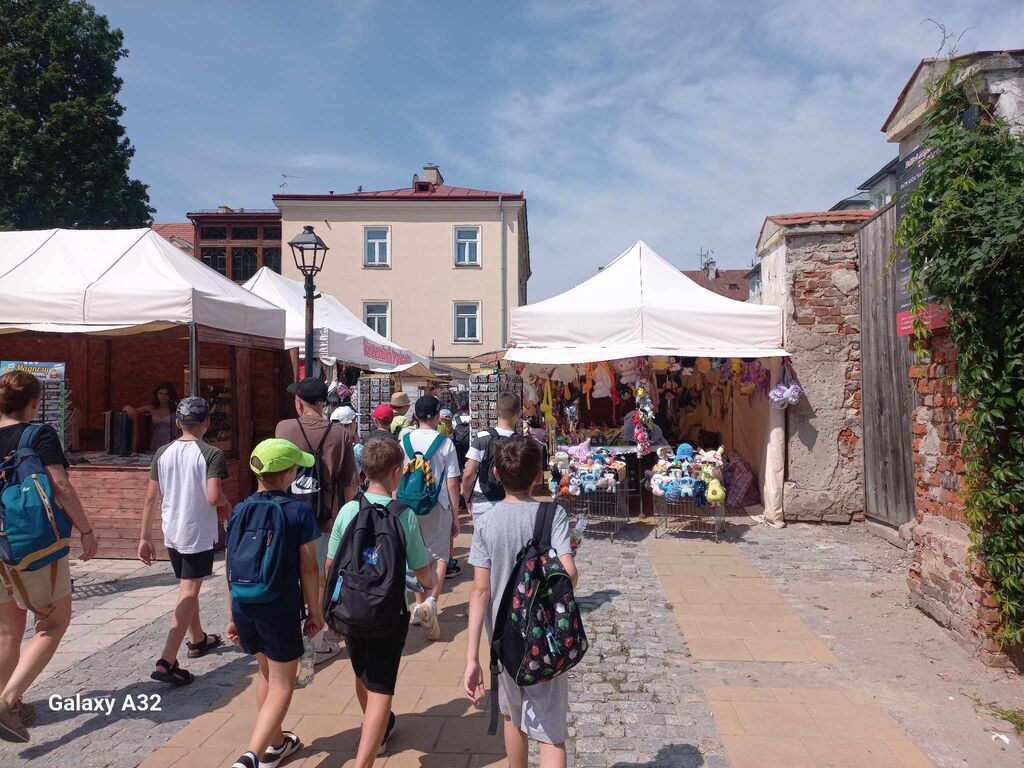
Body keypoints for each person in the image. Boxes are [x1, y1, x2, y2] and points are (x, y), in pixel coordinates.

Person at [464, 435, 577, 768]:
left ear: (496, 474)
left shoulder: (485, 522)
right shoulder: (552, 515)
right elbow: (568, 573)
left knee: (513, 718)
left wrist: (472, 657)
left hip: (504, 640)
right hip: (545, 636)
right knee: (550, 731)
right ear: (539, 475)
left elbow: (479, 591)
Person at [324, 438, 435, 765]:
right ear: (397, 473)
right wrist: (430, 585)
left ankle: (379, 733)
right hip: (389, 612)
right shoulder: (404, 515)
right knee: (382, 686)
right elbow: (423, 575)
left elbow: (331, 565)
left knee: (363, 675)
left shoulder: (348, 510)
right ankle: (365, 759)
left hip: (350, 610)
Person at [0, 370, 97, 743]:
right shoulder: (37, 434)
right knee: (53, 623)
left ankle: (11, 699)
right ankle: (7, 702)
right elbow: (61, 485)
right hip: (31, 543)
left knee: (8, 629)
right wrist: (86, 530)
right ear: (35, 404)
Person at [225, 439, 323, 768]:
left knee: (265, 672)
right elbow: (309, 568)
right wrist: (315, 612)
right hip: (279, 606)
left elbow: (230, 564)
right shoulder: (299, 511)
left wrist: (231, 616)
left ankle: (276, 743)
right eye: (295, 468)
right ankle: (251, 755)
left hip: (244, 604)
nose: (297, 472)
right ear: (286, 475)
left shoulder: (240, 509)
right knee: (283, 683)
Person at [139, 396, 230, 686]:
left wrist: (144, 537)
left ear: (178, 423)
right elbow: (214, 496)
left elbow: (151, 497)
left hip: (172, 531)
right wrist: (230, 510)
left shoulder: (162, 453)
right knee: (189, 591)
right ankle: (167, 659)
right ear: (207, 423)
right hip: (197, 532)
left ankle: (197, 638)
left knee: (187, 587)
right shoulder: (211, 454)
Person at [276, 378, 357, 664]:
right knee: (319, 576)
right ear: (324, 403)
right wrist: (347, 518)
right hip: (325, 516)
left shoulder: (283, 428)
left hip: (286, 513)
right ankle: (316, 641)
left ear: (299, 401)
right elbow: (350, 483)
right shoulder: (340, 434)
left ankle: (288, 638)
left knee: (289, 574)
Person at [398, 395, 460, 640]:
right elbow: (452, 481)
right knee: (440, 555)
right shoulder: (445, 443)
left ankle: (418, 605)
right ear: (436, 417)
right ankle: (432, 601)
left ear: (415, 416)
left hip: (407, 504)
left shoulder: (403, 440)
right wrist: (456, 515)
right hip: (438, 504)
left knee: (415, 553)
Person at [461, 393, 522, 519]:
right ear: (519, 413)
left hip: (483, 499)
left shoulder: (482, 438)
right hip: (513, 500)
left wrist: (466, 497)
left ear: (495, 411)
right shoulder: (522, 443)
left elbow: (468, 473)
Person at [123, 382, 180, 451]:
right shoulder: (151, 408)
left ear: (171, 395)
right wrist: (127, 408)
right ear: (157, 394)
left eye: (166, 394)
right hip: (155, 441)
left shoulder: (176, 409)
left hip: (171, 441)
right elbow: (132, 410)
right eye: (161, 393)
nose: (163, 396)